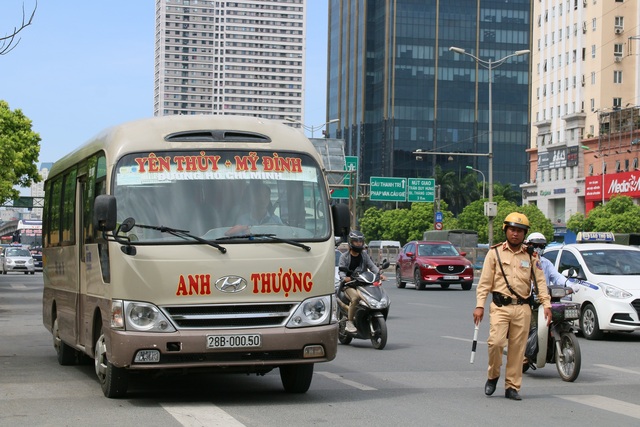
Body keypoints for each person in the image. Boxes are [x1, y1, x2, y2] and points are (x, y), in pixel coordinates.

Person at [473, 212, 552, 401]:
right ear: (505, 230)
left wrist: (546, 304)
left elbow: (540, 282)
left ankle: (512, 387)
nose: (515, 234)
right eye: (512, 230)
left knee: (518, 350)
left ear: (524, 234)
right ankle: (493, 376)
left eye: (519, 231)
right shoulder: (495, 253)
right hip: (500, 307)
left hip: (522, 308)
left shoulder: (531, 256)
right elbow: (484, 283)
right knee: (496, 343)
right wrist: (479, 306)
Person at [338, 230, 386, 333]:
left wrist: (379, 274)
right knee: (355, 298)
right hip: (349, 285)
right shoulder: (344, 257)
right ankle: (350, 322)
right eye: (356, 241)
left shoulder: (364, 255)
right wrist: (345, 278)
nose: (359, 243)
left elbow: (372, 266)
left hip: (363, 283)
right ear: (351, 242)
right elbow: (341, 272)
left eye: (360, 241)